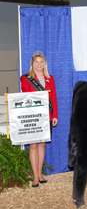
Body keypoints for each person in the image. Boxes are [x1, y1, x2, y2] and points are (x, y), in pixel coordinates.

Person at [20, 51, 58, 187]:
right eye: (36, 62)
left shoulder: (50, 78)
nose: (39, 64)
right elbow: (25, 98)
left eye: (41, 62)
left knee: (42, 144)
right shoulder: (26, 78)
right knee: (34, 145)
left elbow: (53, 98)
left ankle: (40, 174)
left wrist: (55, 116)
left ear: (44, 64)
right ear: (32, 64)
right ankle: (35, 176)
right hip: (34, 117)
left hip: (47, 116)